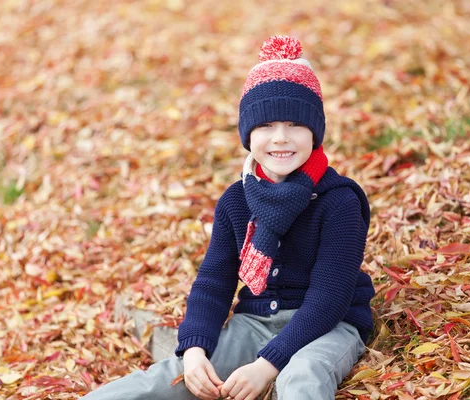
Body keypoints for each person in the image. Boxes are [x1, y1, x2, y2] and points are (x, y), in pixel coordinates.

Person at [81, 35, 375, 400]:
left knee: (301, 376)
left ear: (314, 133)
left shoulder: (339, 201)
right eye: (265, 126)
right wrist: (193, 351)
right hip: (254, 323)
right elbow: (213, 282)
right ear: (247, 134)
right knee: (165, 381)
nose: (280, 138)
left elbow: (329, 297)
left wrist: (266, 366)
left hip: (328, 326)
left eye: (295, 125)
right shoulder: (237, 200)